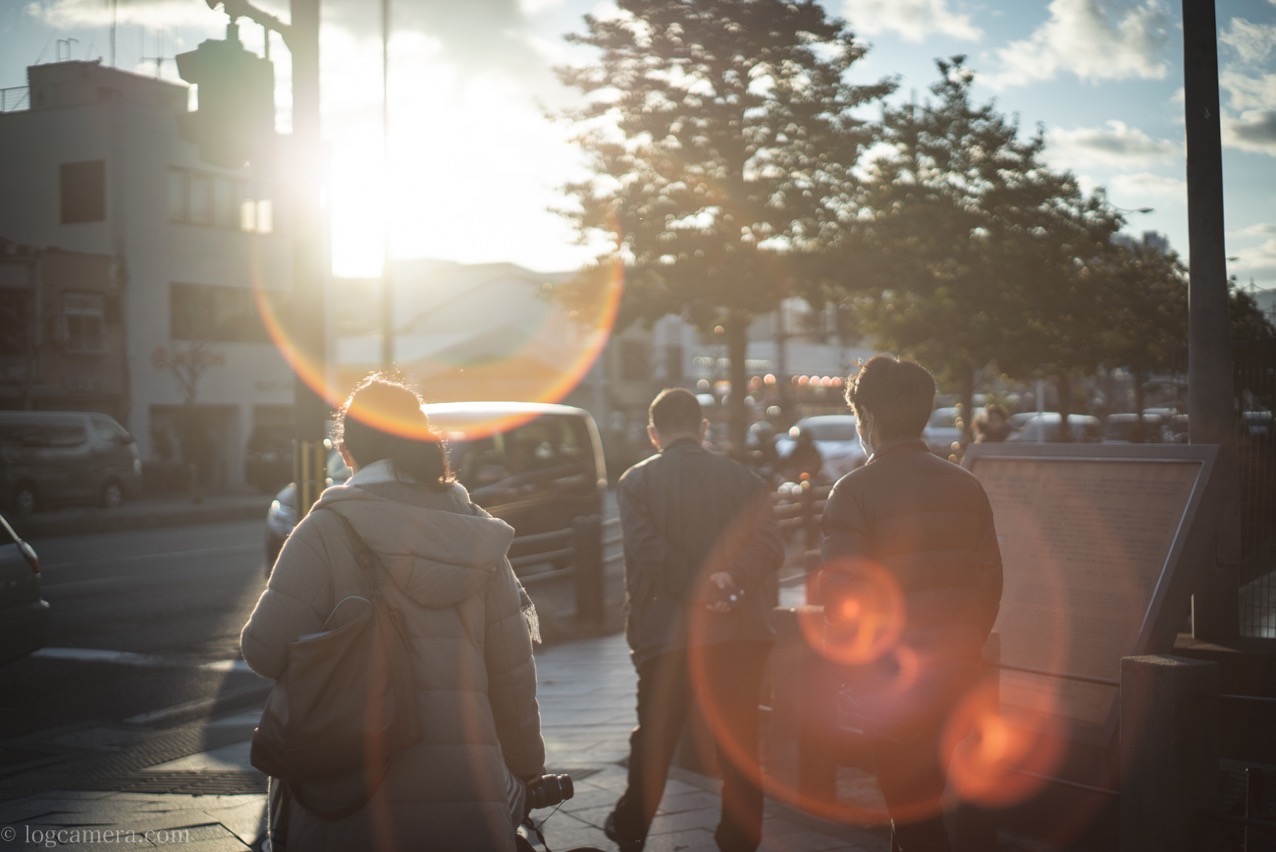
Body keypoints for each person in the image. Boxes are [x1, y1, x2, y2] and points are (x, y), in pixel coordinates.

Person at [241, 374, 546, 852]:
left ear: (347, 452)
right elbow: (512, 674)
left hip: (348, 798)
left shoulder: (323, 530)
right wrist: (526, 768)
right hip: (468, 801)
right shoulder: (479, 535)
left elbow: (263, 650)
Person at [819, 356, 1003, 852]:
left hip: (892, 681)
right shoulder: (965, 484)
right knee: (927, 801)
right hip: (959, 673)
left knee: (912, 813)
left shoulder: (853, 491)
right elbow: (990, 579)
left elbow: (843, 596)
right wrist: (966, 642)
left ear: (869, 417)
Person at [605, 388, 785, 852]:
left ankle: (632, 831)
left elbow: (650, 554)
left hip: (669, 635)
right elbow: (770, 546)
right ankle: (740, 840)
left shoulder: (636, 483)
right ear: (705, 429)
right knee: (740, 745)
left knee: (656, 742)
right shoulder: (746, 480)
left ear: (653, 434)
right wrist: (726, 583)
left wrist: (700, 590)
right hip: (740, 630)